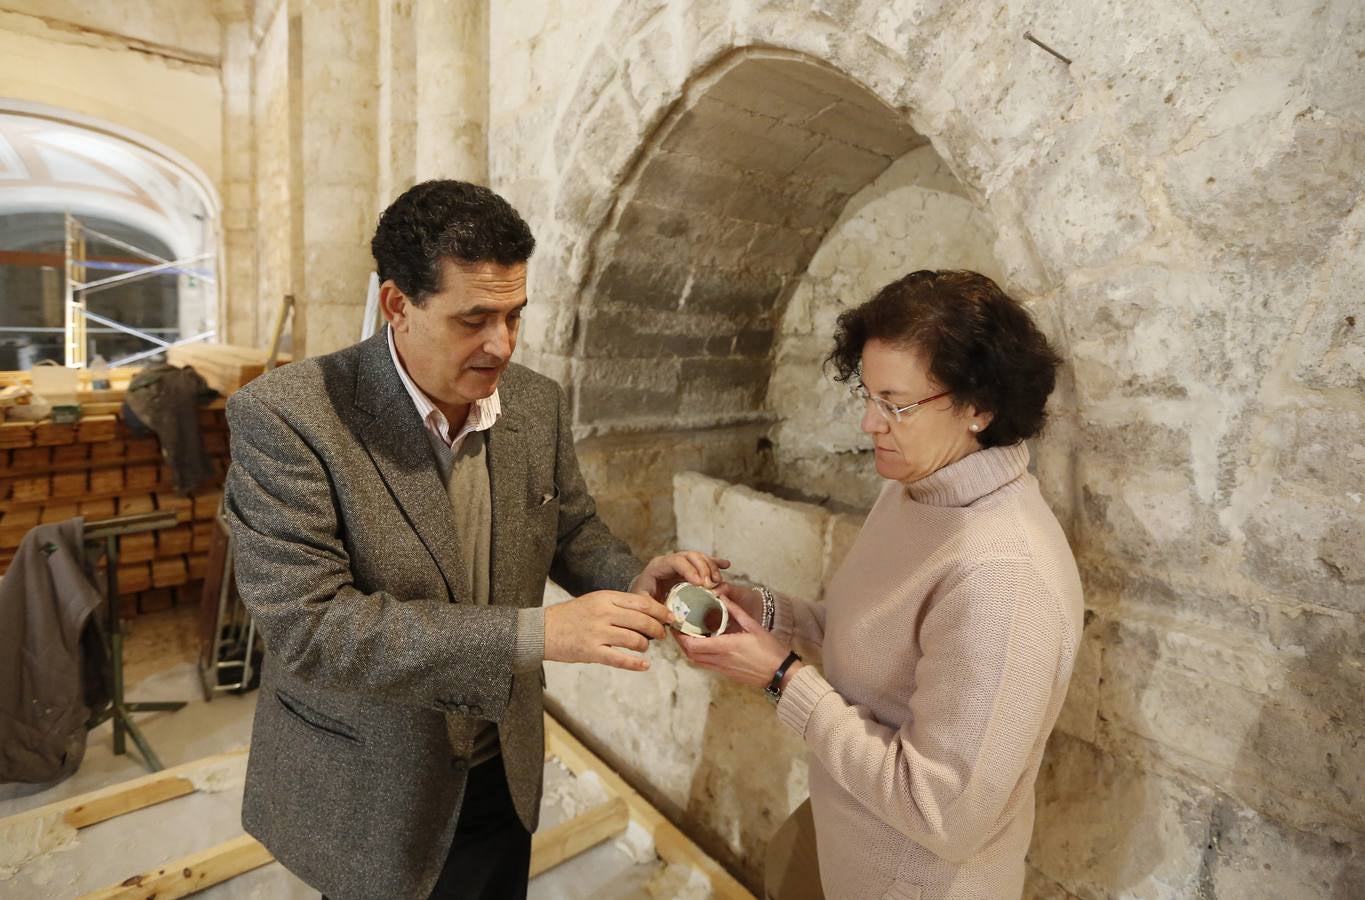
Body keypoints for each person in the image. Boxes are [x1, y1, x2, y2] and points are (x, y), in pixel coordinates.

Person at [224, 180, 726, 900]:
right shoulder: (289, 418)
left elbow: (567, 527)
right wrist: (536, 634)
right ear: (397, 305)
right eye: (475, 319)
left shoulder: (533, 401)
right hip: (371, 773)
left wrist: (631, 579)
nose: (503, 344)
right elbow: (311, 627)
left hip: (501, 758)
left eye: (515, 315)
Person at [676, 270, 1083, 900]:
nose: (870, 424)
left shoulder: (1004, 575)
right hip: (847, 839)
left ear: (979, 405)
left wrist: (780, 677)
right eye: (867, 396)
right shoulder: (913, 488)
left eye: (896, 404)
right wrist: (760, 609)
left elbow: (943, 814)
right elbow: (865, 635)